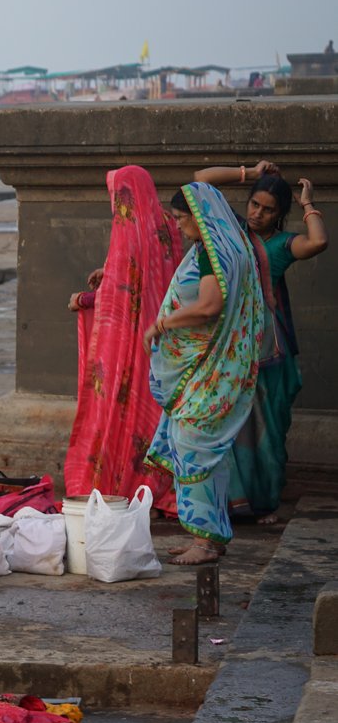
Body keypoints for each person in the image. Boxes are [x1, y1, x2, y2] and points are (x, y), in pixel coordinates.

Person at [194, 161, 328, 525]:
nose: (258, 214)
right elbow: (200, 181)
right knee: (233, 425)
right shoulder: (234, 230)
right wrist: (249, 173)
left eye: (269, 210)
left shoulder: (283, 245)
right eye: (254, 204)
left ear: (279, 215)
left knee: (269, 428)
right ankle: (235, 500)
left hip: (270, 350)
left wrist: (307, 203)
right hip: (233, 346)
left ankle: (267, 500)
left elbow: (318, 241)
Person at [145, 183, 268, 565]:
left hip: (212, 373)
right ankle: (209, 537)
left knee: (194, 449)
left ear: (199, 218)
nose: (179, 226)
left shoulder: (211, 256)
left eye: (182, 219)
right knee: (208, 454)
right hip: (220, 369)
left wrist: (163, 324)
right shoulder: (231, 246)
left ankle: (204, 542)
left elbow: (209, 307)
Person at [65, 166, 180, 512]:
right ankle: (163, 480)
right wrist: (110, 272)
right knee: (156, 416)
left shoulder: (128, 230)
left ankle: (125, 481)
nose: (116, 204)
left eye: (117, 197)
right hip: (162, 343)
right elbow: (148, 279)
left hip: (133, 347)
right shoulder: (167, 224)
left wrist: (83, 301)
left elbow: (121, 296)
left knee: (120, 412)